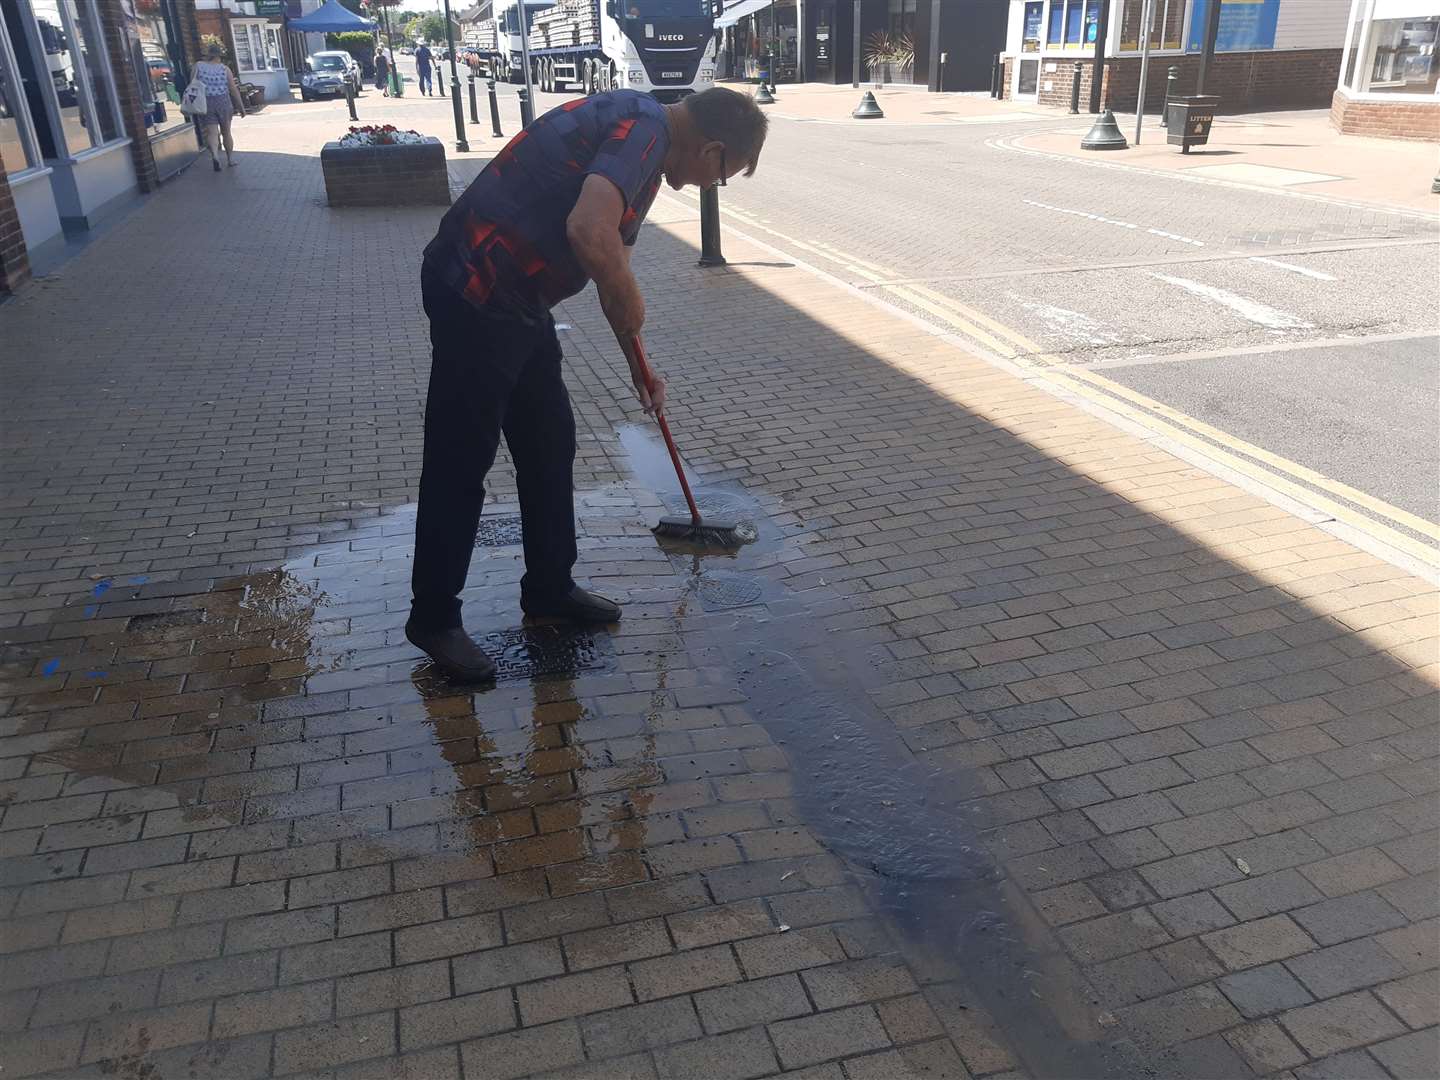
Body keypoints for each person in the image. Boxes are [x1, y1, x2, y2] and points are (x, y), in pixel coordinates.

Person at [408, 87, 768, 682]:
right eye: (723, 174)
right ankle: (433, 617)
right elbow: (589, 231)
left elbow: (608, 267)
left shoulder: (648, 157)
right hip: (475, 290)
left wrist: (639, 367)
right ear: (711, 148)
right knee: (459, 460)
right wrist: (632, 297)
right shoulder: (644, 130)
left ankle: (549, 588)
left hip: (520, 301)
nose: (713, 186)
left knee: (549, 446)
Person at [193, 43, 245, 172]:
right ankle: (230, 159)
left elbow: (192, 85)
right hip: (223, 102)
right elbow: (233, 89)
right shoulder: (224, 69)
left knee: (212, 133)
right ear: (219, 56)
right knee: (226, 132)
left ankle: (215, 156)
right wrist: (241, 106)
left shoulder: (198, 66)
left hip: (206, 102)